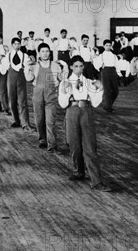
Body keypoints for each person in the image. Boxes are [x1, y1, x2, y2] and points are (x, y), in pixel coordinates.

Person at [58, 56, 111, 192]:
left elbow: (95, 102)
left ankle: (97, 181)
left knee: (90, 146)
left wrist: (100, 88)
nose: (78, 69)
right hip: (72, 112)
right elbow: (63, 104)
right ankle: (79, 171)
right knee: (73, 143)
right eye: (75, 66)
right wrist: (64, 91)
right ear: (71, 67)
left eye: (81, 66)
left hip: (86, 112)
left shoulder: (89, 82)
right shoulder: (65, 82)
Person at [25, 43, 68, 152]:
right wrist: (27, 66)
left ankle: (52, 145)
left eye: (47, 51)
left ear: (50, 52)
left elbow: (62, 78)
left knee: (50, 121)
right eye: (43, 51)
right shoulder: (35, 65)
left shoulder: (55, 65)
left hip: (51, 95)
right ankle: (42, 140)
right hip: (37, 95)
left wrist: (65, 67)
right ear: (39, 53)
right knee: (39, 120)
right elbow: (29, 78)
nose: (45, 53)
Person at [1, 38, 33, 131]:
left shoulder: (24, 55)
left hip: (21, 78)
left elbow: (30, 64)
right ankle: (16, 120)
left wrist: (32, 60)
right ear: (12, 45)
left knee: (22, 101)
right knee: (12, 100)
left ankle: (25, 123)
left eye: (18, 44)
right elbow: (3, 67)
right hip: (11, 78)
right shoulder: (8, 55)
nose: (17, 45)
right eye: (15, 44)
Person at [93, 40, 120, 113]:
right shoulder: (101, 55)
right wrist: (100, 68)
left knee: (115, 91)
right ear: (104, 46)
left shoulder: (114, 55)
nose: (108, 47)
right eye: (106, 45)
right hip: (105, 71)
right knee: (107, 90)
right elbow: (96, 63)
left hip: (113, 71)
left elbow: (117, 65)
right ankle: (108, 107)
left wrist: (119, 74)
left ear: (111, 46)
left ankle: (107, 105)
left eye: (109, 45)